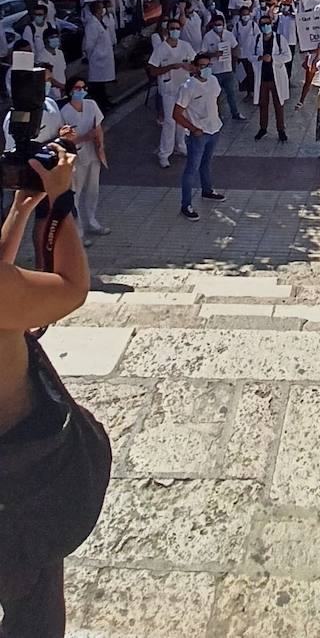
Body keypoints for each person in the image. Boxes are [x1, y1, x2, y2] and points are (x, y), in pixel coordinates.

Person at [0, 144, 111, 638]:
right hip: (18, 480)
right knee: (35, 607)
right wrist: (57, 202)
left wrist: (21, 211)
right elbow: (69, 286)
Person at [173, 53, 226, 220]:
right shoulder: (188, 87)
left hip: (214, 129)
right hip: (198, 134)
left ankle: (207, 190)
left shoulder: (213, 81)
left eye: (208, 65)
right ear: (195, 68)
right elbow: (177, 114)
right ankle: (186, 204)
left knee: (206, 163)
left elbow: (216, 100)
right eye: (202, 66)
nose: (206, 69)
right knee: (191, 169)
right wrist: (193, 128)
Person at [60, 79, 109, 246]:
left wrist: (100, 146)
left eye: (83, 88)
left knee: (93, 189)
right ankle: (78, 230)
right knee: (76, 191)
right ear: (70, 91)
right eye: (77, 88)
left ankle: (92, 221)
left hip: (93, 153)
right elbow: (64, 139)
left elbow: (98, 127)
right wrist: (84, 138)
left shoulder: (91, 105)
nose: (81, 91)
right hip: (77, 156)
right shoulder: (65, 112)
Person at [148, 17, 194, 168]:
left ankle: (180, 146)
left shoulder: (185, 46)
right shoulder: (161, 49)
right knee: (169, 121)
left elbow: (194, 63)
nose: (175, 31)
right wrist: (170, 67)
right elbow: (153, 70)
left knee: (182, 119)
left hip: (184, 89)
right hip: (169, 90)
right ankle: (164, 153)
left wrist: (191, 68)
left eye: (177, 28)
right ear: (168, 31)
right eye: (172, 28)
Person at [253, 14, 291, 143]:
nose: (265, 26)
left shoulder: (280, 39)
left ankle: (281, 129)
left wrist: (273, 59)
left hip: (276, 78)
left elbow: (288, 56)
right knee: (263, 105)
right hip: (263, 77)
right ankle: (263, 128)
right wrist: (259, 58)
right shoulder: (257, 39)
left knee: (278, 105)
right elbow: (250, 55)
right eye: (262, 24)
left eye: (267, 23)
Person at [201, 13, 245, 121]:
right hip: (214, 71)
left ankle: (235, 113)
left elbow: (235, 46)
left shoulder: (228, 35)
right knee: (216, 95)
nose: (218, 26)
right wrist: (213, 54)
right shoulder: (208, 37)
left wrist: (235, 54)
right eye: (216, 24)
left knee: (231, 93)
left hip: (227, 69)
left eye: (220, 24)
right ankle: (217, 114)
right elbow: (202, 53)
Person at [82, 0, 115, 113]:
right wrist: (95, 55)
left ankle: (105, 101)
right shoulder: (92, 24)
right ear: (96, 10)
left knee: (102, 82)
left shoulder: (101, 21)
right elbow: (89, 44)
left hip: (104, 57)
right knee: (97, 83)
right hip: (97, 58)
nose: (103, 10)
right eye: (101, 8)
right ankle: (100, 104)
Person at [35, 26, 66, 99]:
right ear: (46, 40)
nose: (56, 39)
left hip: (63, 93)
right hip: (51, 94)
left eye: (57, 37)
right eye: (52, 37)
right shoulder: (41, 57)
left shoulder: (60, 53)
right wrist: (63, 87)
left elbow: (63, 71)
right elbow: (48, 78)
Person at [234, 5, 258, 98]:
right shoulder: (237, 25)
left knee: (252, 73)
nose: (245, 16)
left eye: (247, 14)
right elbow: (233, 38)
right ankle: (247, 93)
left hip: (251, 54)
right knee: (243, 74)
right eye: (243, 14)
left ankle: (253, 92)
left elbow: (258, 37)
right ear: (240, 15)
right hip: (241, 54)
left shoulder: (253, 25)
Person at [276, 1, 298, 85]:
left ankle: (288, 80)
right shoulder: (279, 16)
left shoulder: (293, 17)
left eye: (287, 5)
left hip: (291, 42)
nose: (285, 7)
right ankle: (280, 80)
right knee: (281, 61)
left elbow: (300, 20)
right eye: (284, 5)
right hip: (280, 42)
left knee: (289, 61)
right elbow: (272, 15)